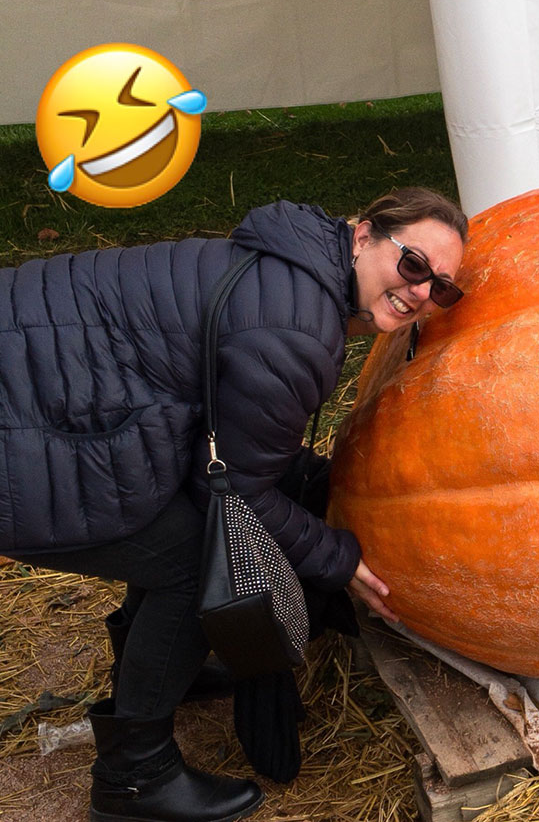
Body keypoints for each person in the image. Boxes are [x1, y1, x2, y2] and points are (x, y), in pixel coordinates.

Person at [0, 186, 468, 822]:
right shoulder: (297, 329)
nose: (420, 292)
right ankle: (134, 778)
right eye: (413, 266)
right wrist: (336, 556)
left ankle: (167, 666)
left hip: (50, 387)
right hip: (26, 430)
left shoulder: (288, 266)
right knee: (196, 558)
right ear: (363, 237)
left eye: (441, 289)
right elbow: (235, 491)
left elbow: (228, 436)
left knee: (182, 529)